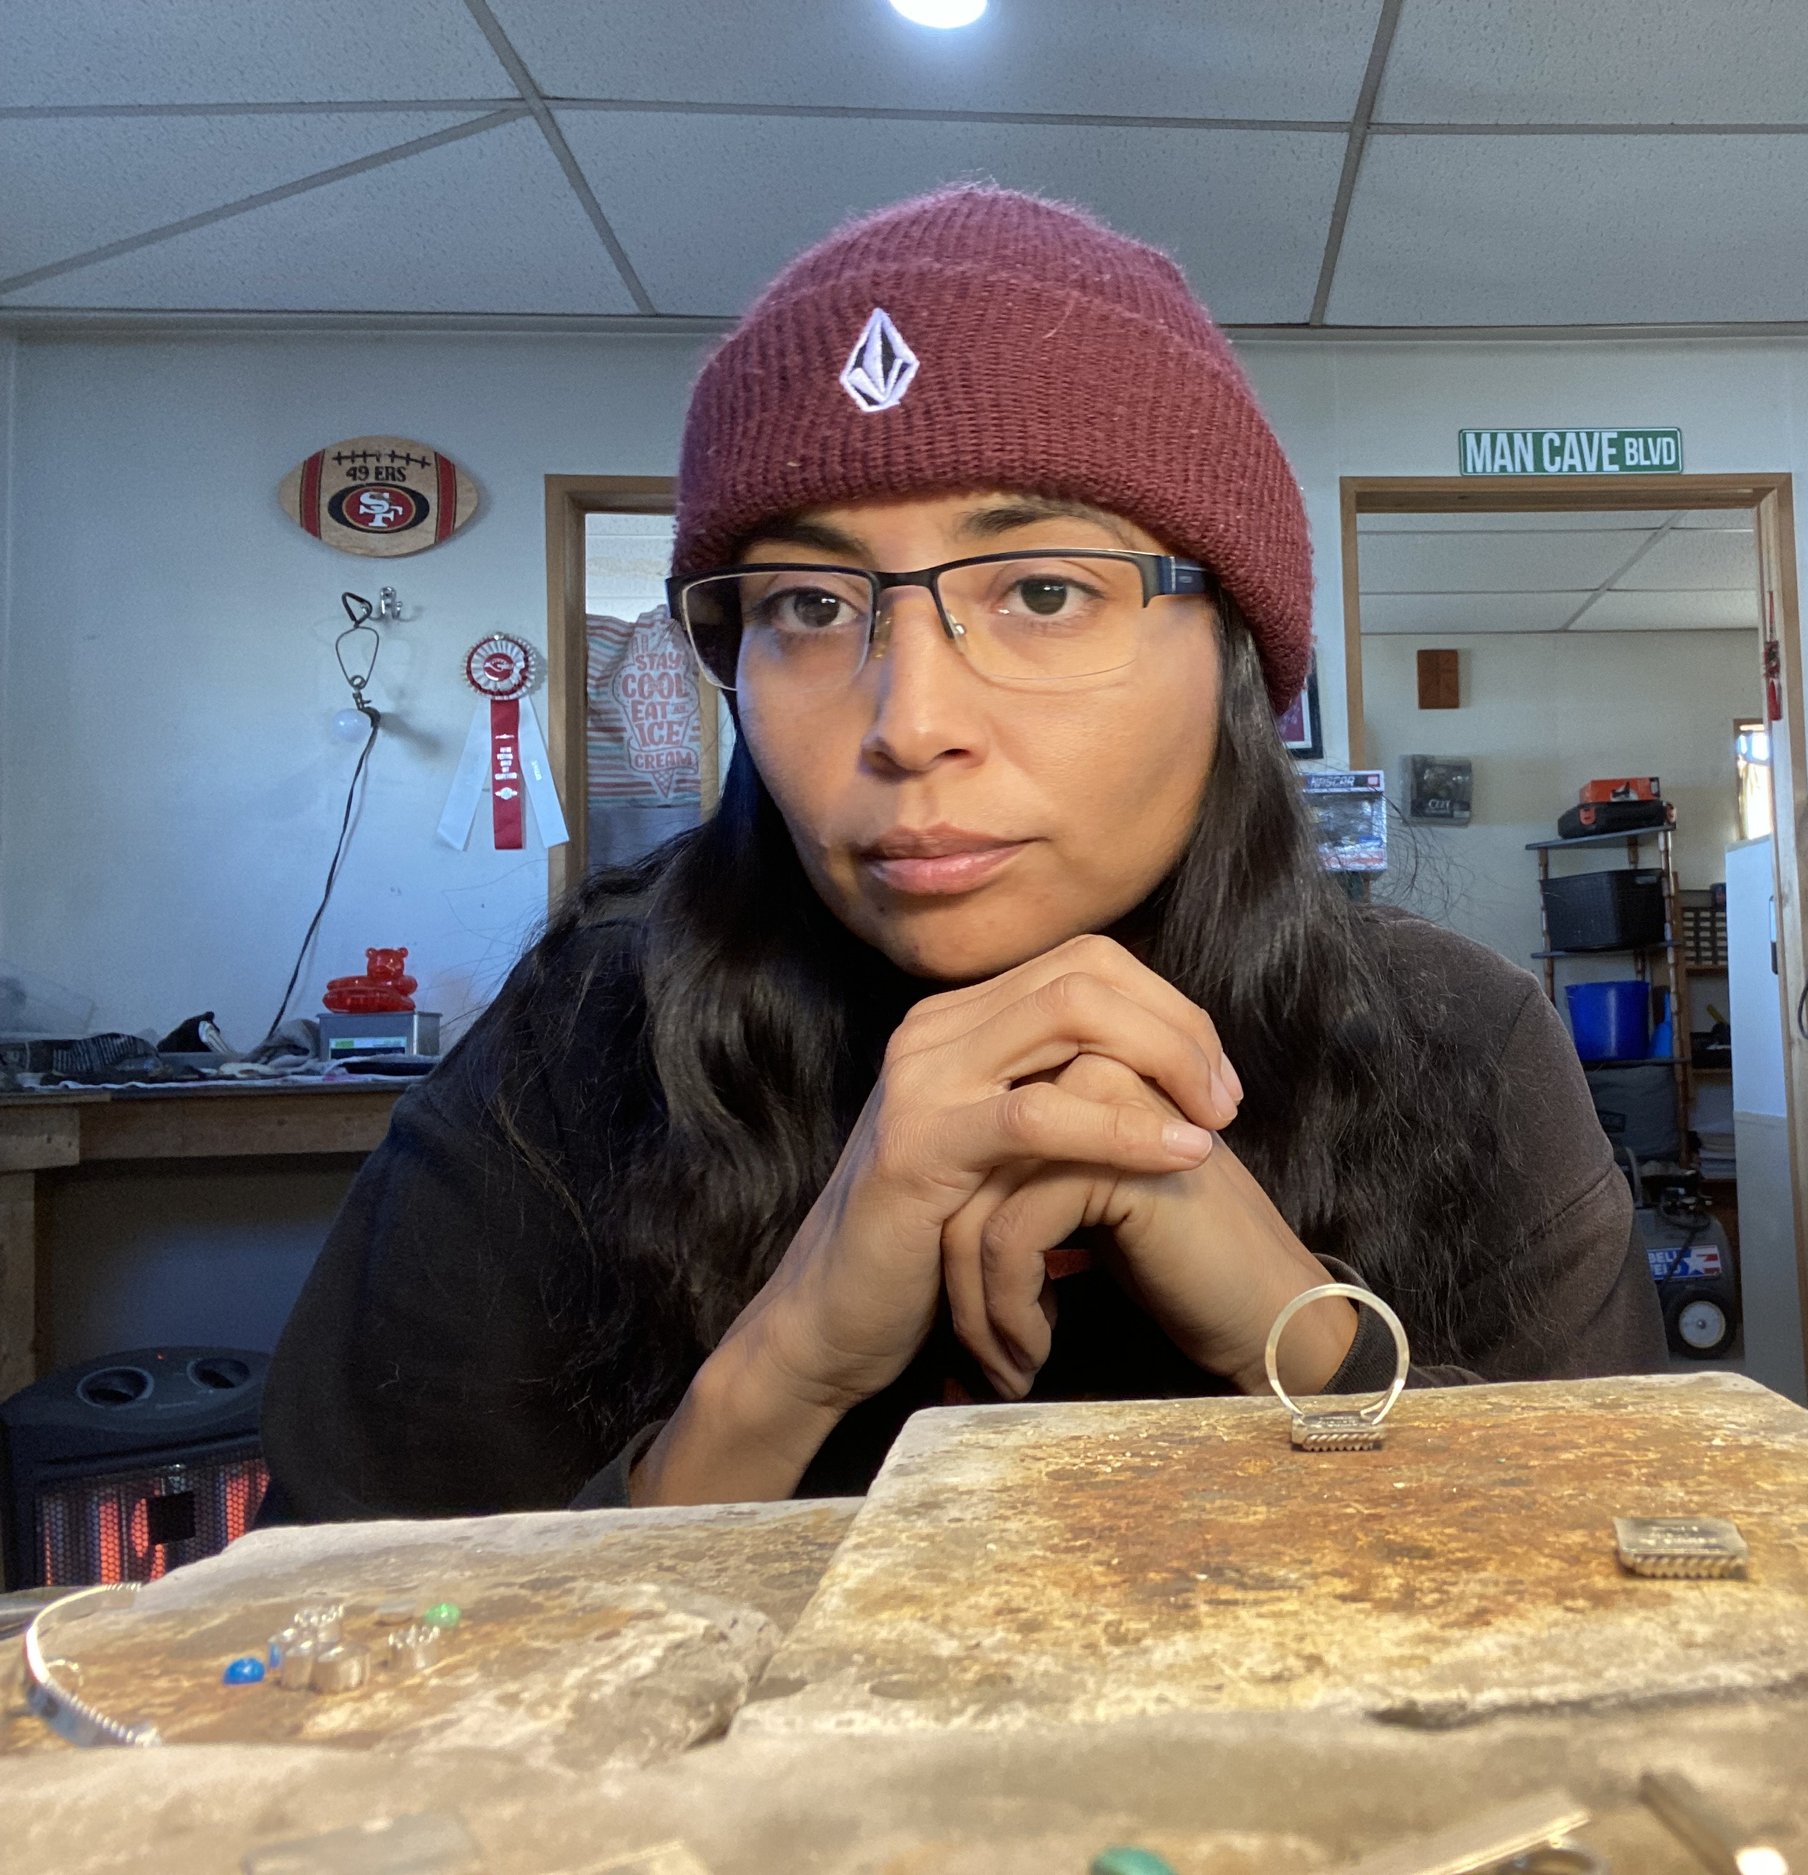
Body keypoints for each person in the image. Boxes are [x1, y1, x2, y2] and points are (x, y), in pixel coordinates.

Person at [261, 186, 1665, 1519]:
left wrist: (1297, 1338)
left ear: (1237, 658)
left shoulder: (1453, 1044)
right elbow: (344, 1690)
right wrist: (784, 1365)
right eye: (809, 604)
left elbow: (1640, 1663)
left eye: (1043, 590)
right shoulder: (574, 1058)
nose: (910, 723)